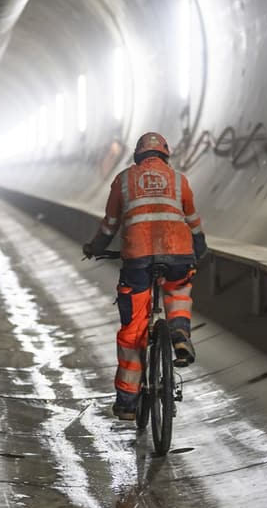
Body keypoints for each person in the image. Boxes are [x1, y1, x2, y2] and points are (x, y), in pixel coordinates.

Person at [82, 132, 207, 420]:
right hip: (178, 253)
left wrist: (95, 247)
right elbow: (193, 219)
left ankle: (127, 403)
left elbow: (111, 223)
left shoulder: (124, 180)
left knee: (134, 330)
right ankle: (178, 332)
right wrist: (199, 247)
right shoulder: (178, 180)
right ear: (165, 154)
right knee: (178, 288)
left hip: (137, 259)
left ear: (138, 155)